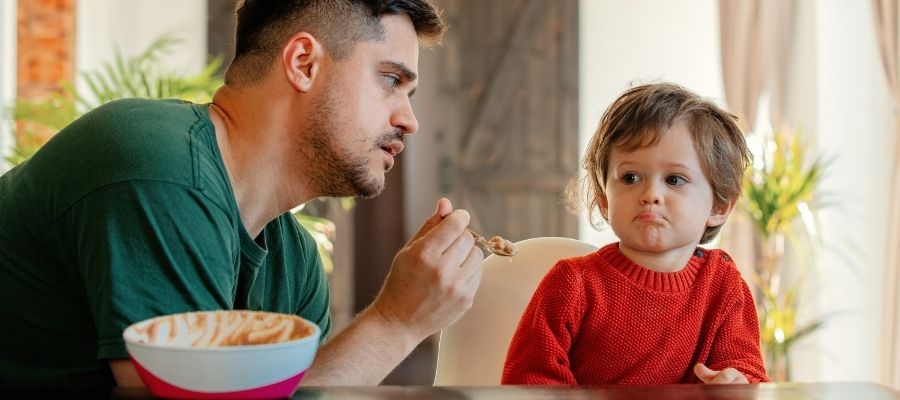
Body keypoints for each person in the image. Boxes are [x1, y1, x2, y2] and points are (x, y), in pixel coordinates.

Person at [0, 0, 485, 387]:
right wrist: (395, 322)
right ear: (303, 63)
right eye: (390, 80)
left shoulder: (294, 266)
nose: (410, 120)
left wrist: (397, 322)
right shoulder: (156, 165)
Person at [502, 82, 769, 385]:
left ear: (719, 206)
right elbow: (528, 381)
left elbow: (748, 373)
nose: (651, 193)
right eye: (630, 177)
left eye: (674, 179)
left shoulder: (723, 285)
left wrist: (735, 383)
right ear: (604, 199)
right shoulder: (571, 284)